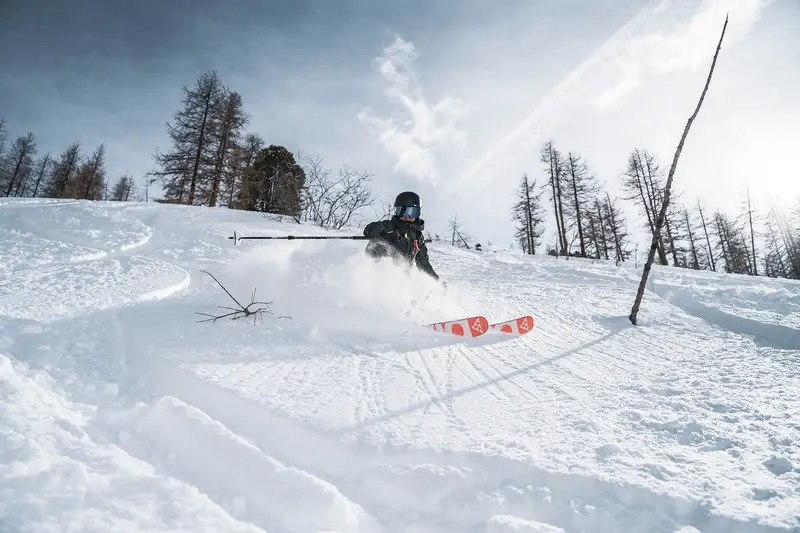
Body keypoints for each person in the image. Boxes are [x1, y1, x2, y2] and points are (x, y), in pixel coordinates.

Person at [363, 191, 442, 282]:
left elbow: (424, 264)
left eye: (412, 212)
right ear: (397, 211)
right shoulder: (389, 226)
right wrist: (384, 234)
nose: (408, 216)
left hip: (401, 279)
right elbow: (370, 229)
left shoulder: (417, 236)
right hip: (377, 272)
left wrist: (436, 282)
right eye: (403, 212)